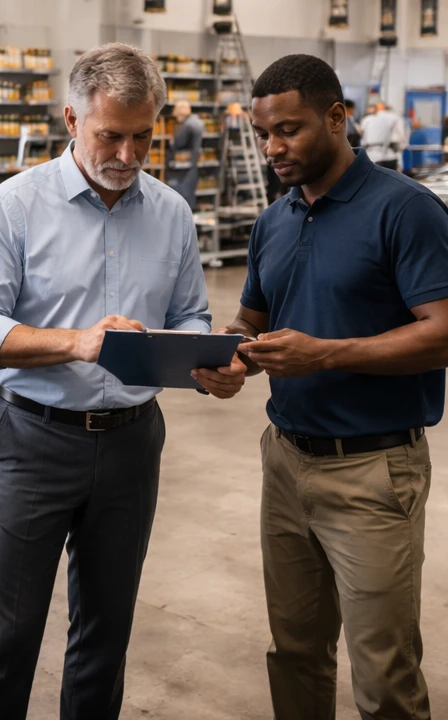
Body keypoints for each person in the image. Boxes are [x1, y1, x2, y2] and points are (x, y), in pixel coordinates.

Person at [0, 44, 246, 720]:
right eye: (110, 135)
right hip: (33, 439)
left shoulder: (171, 213)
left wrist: (208, 365)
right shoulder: (14, 207)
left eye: (143, 136)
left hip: (132, 444)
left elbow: (190, 316)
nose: (128, 153)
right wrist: (79, 342)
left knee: (105, 638)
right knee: (6, 638)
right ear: (71, 119)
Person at [198, 54, 448, 720]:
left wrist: (326, 354)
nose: (273, 149)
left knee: (385, 675)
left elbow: (442, 333)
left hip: (373, 472)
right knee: (296, 652)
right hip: (286, 463)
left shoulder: (406, 210)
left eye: (290, 130)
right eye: (263, 134)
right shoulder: (274, 221)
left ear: (337, 117)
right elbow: (252, 320)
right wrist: (230, 356)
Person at [167, 98, 203, 210]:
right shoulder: (197, 122)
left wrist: (172, 142)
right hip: (192, 165)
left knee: (179, 198)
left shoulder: (187, 125)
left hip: (182, 169)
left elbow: (179, 142)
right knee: (189, 197)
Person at [360, 100, 406, 169]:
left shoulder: (367, 120)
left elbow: (363, 139)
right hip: (390, 156)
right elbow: (401, 137)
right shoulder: (396, 118)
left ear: (375, 109)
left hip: (370, 157)